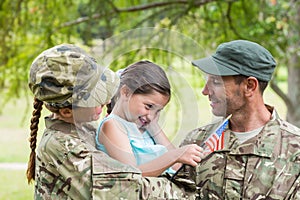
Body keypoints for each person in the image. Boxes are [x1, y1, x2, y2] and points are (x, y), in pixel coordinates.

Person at [26, 44, 195, 199]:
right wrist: (189, 190)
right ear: (67, 111)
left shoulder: (84, 129)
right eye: (95, 99)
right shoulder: (63, 146)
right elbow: (128, 189)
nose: (106, 102)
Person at [179, 40, 300, 199]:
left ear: (250, 86)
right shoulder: (197, 142)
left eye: (216, 82)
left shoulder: (295, 151)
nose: (205, 91)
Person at [96, 60, 204, 177]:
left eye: (157, 111)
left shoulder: (145, 127)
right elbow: (132, 175)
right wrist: (174, 156)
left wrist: (153, 127)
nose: (152, 116)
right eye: (149, 106)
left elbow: (177, 167)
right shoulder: (113, 126)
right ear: (126, 92)